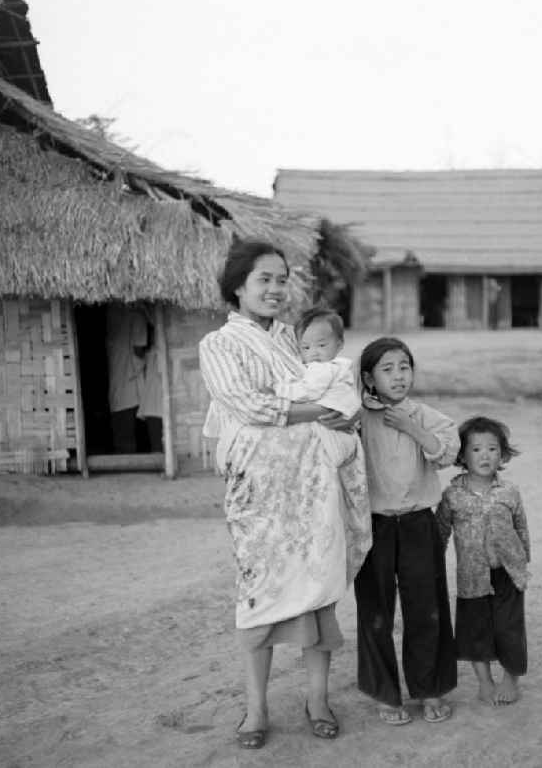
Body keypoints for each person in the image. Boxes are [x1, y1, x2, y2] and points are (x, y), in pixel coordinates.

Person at [198, 240, 371, 750]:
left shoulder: (295, 344)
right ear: (238, 287)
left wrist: (338, 407)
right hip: (260, 492)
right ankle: (256, 710)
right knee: (260, 594)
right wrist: (322, 410)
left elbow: (338, 390)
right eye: (263, 280)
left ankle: (317, 699)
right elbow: (249, 405)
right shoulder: (220, 345)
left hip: (312, 486)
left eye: (281, 279)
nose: (275, 289)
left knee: (318, 592)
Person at [354, 337, 459, 726]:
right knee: (376, 612)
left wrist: (411, 427)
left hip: (418, 523)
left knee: (427, 609)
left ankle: (429, 688)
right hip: (373, 525)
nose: (398, 376)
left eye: (404, 366)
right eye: (387, 369)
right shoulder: (356, 417)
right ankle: (385, 692)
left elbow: (448, 452)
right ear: (368, 377)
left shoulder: (424, 415)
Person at [436, 416, 530, 707]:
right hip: (472, 577)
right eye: (476, 450)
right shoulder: (453, 495)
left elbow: (521, 528)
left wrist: (523, 562)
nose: (485, 455)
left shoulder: (509, 491)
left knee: (509, 629)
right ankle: (485, 681)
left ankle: (511, 678)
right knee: (475, 632)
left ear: (502, 454)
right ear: (462, 456)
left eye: (492, 449)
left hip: (507, 573)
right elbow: (440, 532)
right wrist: (432, 565)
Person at [275, 306, 361, 467]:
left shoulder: (324, 368)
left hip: (330, 426)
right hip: (338, 420)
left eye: (321, 346)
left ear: (339, 344)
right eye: (306, 347)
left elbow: (308, 392)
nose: (314, 352)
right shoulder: (339, 365)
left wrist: (279, 389)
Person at [106, 303, 148, 453]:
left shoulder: (111, 312)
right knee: (132, 431)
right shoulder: (137, 317)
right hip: (131, 383)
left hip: (118, 383)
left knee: (122, 433)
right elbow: (139, 350)